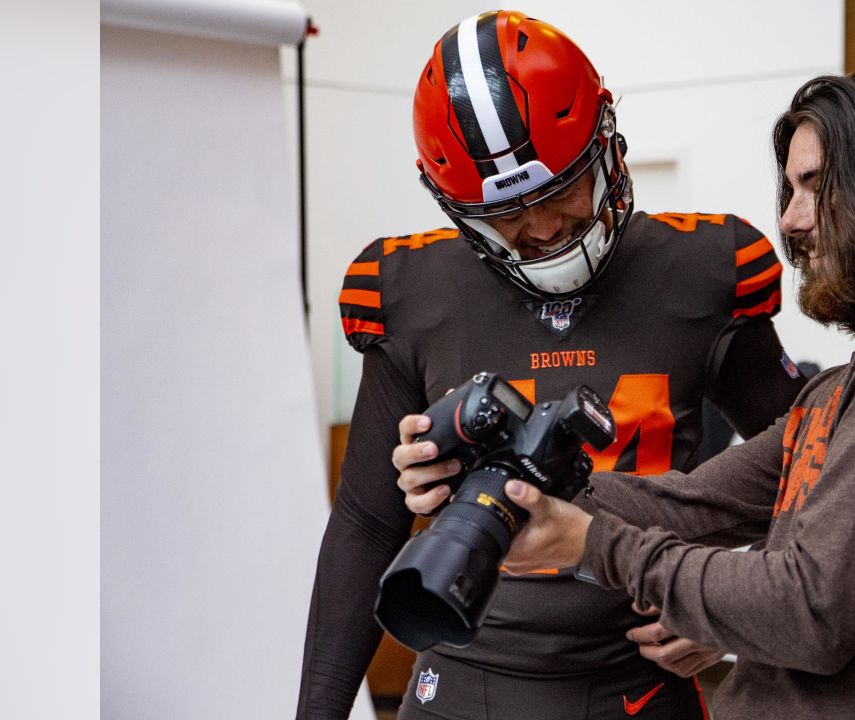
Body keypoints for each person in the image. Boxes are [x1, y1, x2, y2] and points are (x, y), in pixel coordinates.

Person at [398, 71, 855, 718]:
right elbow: (695, 503)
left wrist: (594, 544)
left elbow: (814, 606)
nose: (790, 219)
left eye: (815, 187)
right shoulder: (846, 387)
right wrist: (503, 480)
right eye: (789, 190)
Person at [295, 10, 807, 720]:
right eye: (503, 212)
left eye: (561, 187)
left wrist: (727, 600)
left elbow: (816, 463)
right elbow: (365, 522)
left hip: (637, 682)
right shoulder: (411, 290)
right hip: (460, 683)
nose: (540, 229)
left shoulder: (702, 271)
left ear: (609, 144)